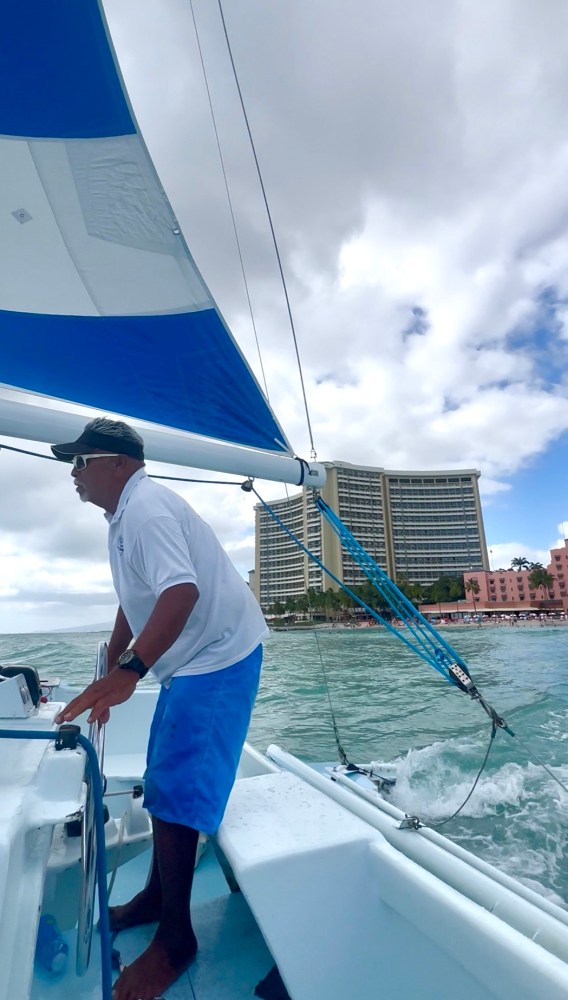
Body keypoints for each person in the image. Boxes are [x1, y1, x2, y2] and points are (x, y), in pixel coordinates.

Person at [52, 417, 268, 1000]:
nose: (73, 473)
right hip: (188, 658)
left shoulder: (145, 508)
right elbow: (138, 599)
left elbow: (180, 593)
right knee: (162, 780)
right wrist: (115, 659)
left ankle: (177, 941)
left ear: (119, 463)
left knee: (178, 791)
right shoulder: (120, 518)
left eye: (81, 460)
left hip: (219, 656)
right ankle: (154, 898)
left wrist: (130, 672)